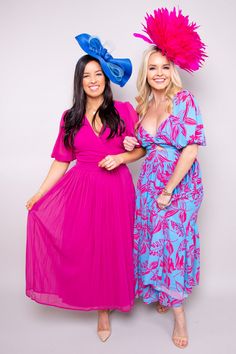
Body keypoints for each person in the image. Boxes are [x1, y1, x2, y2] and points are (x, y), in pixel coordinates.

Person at [25, 33, 145, 342]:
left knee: (114, 244)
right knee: (88, 244)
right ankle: (99, 307)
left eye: (98, 74)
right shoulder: (70, 117)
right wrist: (39, 194)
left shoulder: (123, 111)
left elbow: (140, 150)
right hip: (82, 189)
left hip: (116, 189)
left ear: (106, 78)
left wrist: (120, 157)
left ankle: (108, 304)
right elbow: (61, 161)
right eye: (86, 76)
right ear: (80, 82)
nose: (93, 81)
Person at [124, 8, 206, 349]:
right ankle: (163, 294)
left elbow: (190, 150)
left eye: (165, 67)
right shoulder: (144, 107)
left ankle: (179, 316)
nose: (159, 73)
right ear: (147, 73)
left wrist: (170, 189)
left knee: (171, 243)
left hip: (180, 185)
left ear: (174, 71)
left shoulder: (184, 101)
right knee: (152, 241)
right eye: (153, 68)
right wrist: (133, 144)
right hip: (149, 186)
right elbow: (147, 149)